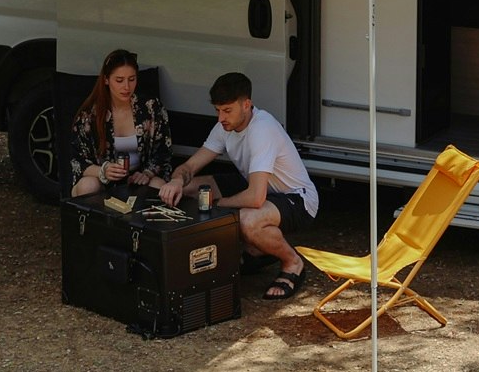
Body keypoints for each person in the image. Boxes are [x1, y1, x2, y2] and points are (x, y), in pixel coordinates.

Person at [157, 72, 320, 301]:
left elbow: (255, 198)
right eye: (217, 110)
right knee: (191, 188)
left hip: (297, 199)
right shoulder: (224, 126)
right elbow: (191, 166)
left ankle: (292, 263)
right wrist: (176, 180)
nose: (221, 118)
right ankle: (258, 249)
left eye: (227, 110)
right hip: (259, 187)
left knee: (247, 220)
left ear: (246, 105)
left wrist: (216, 204)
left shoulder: (262, 129)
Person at [69, 49, 174, 197]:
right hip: (101, 180)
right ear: (106, 80)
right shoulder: (90, 115)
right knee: (88, 185)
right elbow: (77, 160)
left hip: (137, 179)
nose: (126, 87)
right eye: (119, 80)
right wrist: (103, 170)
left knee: (158, 185)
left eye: (132, 79)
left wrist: (147, 173)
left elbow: (163, 151)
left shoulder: (150, 108)